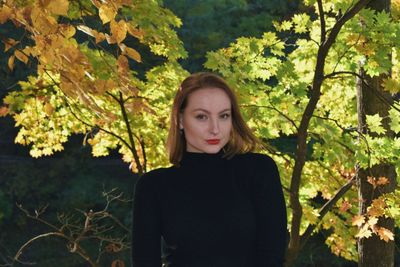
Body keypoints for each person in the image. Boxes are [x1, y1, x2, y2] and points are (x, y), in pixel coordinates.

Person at [132, 72, 287, 267]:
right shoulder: (153, 186)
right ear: (180, 120)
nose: (215, 128)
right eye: (202, 117)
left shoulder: (259, 170)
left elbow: (272, 253)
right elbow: (145, 261)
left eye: (223, 116)